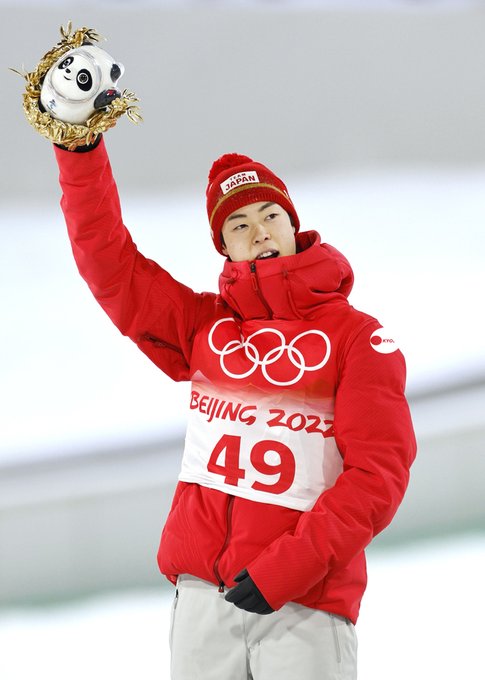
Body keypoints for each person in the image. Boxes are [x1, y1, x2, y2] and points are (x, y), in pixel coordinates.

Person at [51, 134, 416, 679]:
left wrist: (288, 568)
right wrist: (79, 151)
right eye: (239, 225)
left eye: (271, 215)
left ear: (293, 224)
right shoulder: (204, 327)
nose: (260, 231)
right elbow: (109, 262)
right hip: (203, 602)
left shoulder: (358, 340)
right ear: (224, 247)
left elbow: (378, 476)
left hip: (305, 605)